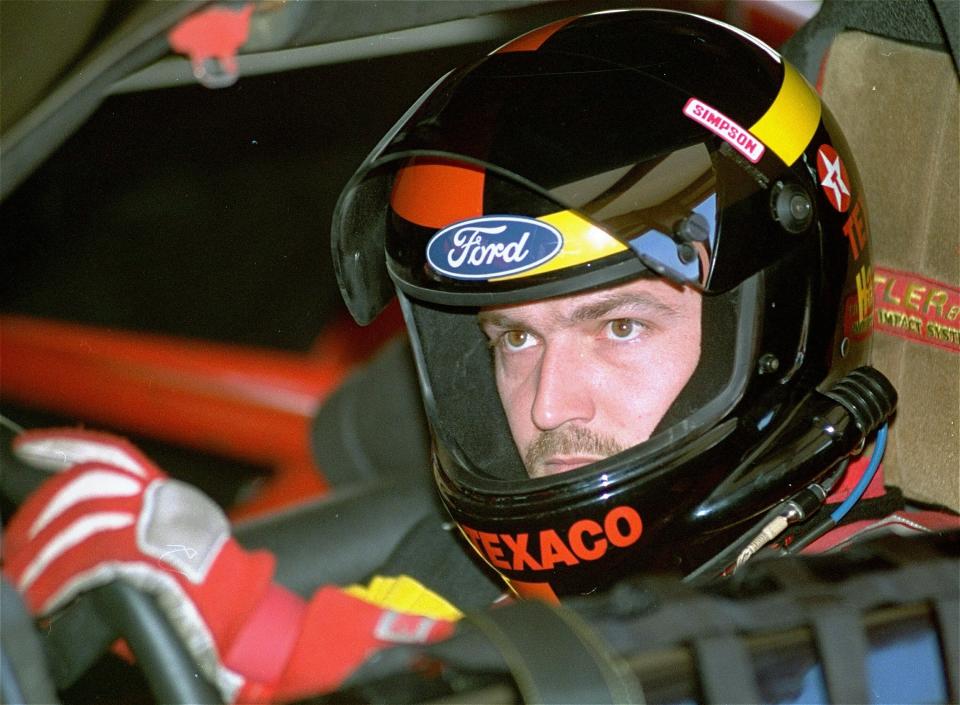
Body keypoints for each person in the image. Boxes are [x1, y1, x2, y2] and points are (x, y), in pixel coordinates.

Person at [4, 9, 958, 703]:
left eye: (619, 325)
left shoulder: (903, 612)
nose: (545, 405)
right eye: (513, 337)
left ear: (776, 330)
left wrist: (269, 631)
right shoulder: (461, 563)